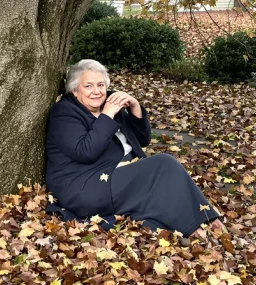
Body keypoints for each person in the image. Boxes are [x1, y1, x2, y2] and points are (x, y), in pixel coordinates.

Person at [45, 59, 224, 236]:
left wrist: (135, 108)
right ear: (75, 90)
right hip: (85, 184)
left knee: (166, 178)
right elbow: (86, 152)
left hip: (119, 173)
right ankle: (195, 225)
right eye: (88, 86)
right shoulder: (65, 113)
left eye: (100, 85)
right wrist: (107, 115)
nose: (97, 91)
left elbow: (142, 140)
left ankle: (202, 219)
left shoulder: (110, 101)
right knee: (164, 164)